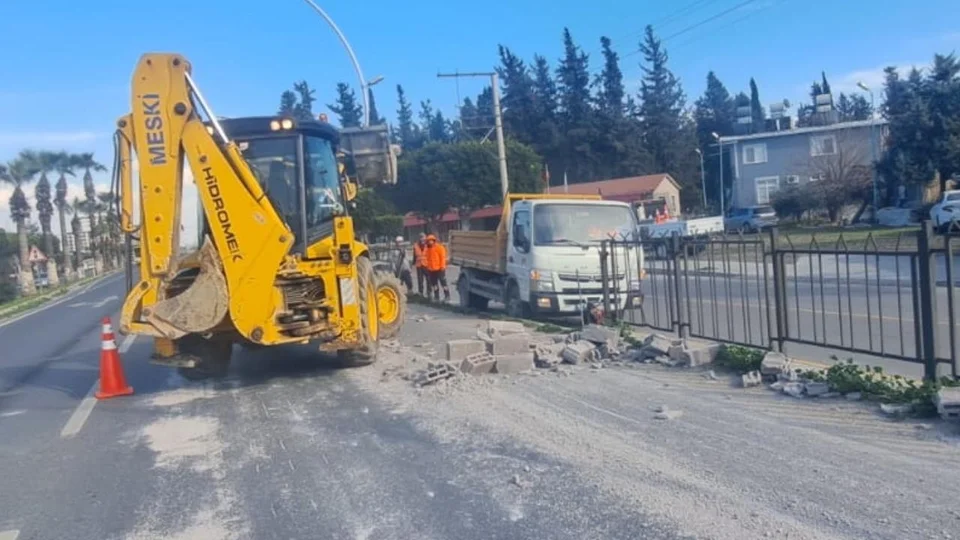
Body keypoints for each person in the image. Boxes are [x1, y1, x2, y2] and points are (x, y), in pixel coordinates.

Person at [423, 234, 450, 302]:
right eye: (428, 241)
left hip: (440, 269)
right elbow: (426, 259)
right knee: (434, 284)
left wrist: (442, 267)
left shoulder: (439, 247)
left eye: (431, 241)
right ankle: (436, 296)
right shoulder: (427, 249)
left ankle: (447, 295)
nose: (430, 242)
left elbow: (443, 258)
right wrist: (427, 267)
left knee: (443, 283)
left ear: (434, 241)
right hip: (431, 270)